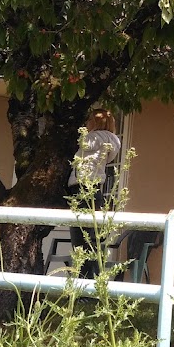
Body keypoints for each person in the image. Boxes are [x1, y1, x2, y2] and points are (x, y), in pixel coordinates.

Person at [66, 108, 122, 278]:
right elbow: (110, 158)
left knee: (80, 237)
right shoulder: (113, 141)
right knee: (91, 237)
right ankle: (93, 278)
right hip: (97, 188)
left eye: (89, 119)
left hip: (82, 186)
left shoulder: (89, 138)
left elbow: (76, 145)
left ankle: (84, 279)